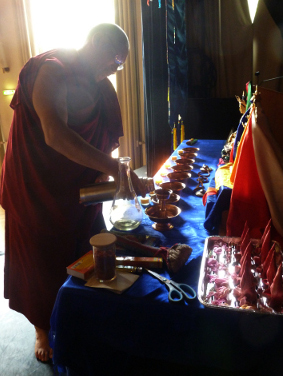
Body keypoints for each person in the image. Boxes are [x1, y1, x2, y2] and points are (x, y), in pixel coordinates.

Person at [0, 23, 144, 362]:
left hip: (78, 186)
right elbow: (55, 134)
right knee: (41, 260)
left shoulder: (103, 90)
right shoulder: (52, 70)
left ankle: (85, 311)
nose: (116, 67)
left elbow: (106, 141)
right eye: (115, 59)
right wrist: (117, 172)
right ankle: (41, 326)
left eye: (120, 64)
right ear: (95, 42)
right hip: (35, 185)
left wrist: (109, 178)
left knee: (91, 245)